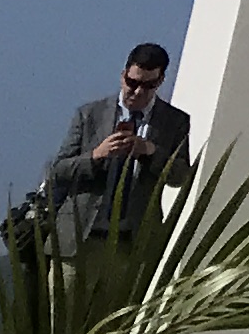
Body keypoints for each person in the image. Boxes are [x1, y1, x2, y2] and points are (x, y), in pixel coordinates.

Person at [42, 44, 191, 245]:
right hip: (80, 238)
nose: (138, 92)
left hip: (134, 242)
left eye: (148, 86)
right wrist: (95, 156)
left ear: (160, 81)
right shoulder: (89, 115)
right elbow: (58, 170)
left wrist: (150, 151)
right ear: (123, 76)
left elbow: (180, 176)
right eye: (132, 82)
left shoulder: (174, 121)